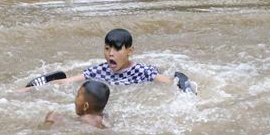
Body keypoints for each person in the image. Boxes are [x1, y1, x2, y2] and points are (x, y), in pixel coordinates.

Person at [23, 28, 197, 93]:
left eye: (116, 49)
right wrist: (33, 89)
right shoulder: (101, 70)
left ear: (130, 51)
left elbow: (169, 82)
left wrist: (182, 83)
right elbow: (70, 81)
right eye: (107, 49)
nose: (110, 54)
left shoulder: (142, 71)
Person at [43, 79, 110, 129]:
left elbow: (71, 128)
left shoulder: (85, 120)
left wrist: (52, 120)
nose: (75, 101)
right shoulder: (104, 118)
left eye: (78, 96)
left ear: (85, 106)